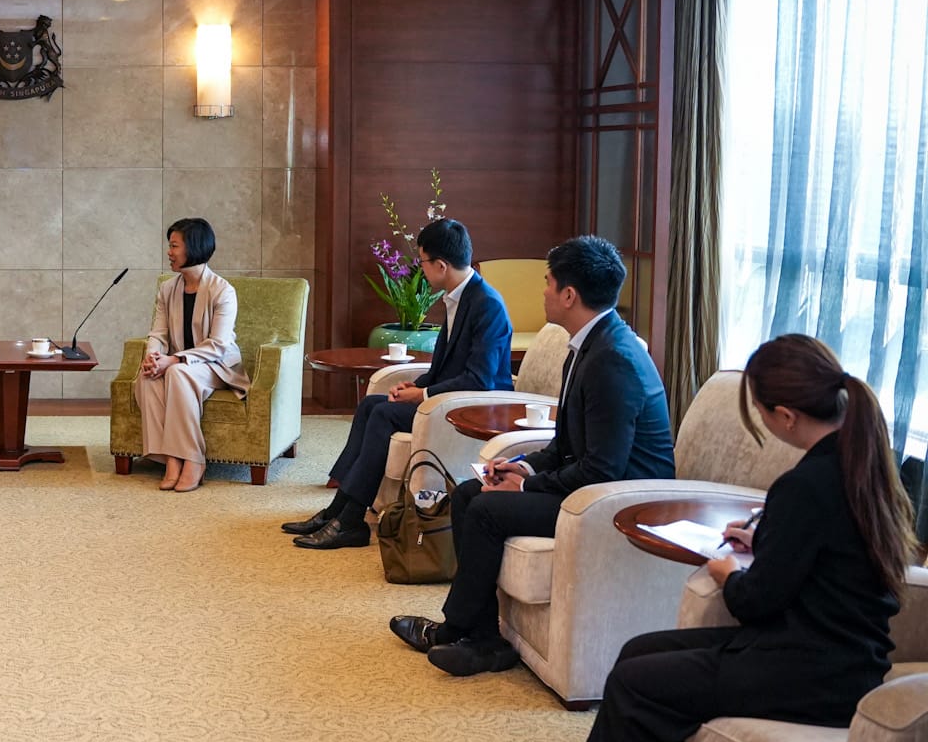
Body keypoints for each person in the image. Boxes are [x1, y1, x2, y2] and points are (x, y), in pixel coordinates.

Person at [573, 334, 918, 742]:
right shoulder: (857, 464)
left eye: (760, 411)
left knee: (640, 683)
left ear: (785, 415)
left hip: (811, 671)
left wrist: (728, 570)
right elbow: (818, 559)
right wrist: (768, 545)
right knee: (639, 651)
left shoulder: (806, 484)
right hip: (834, 654)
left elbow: (757, 603)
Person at [390, 235, 674, 676]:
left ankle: (467, 634)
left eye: (547, 282)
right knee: (469, 493)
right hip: (592, 487)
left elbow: (603, 469)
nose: (542, 291)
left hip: (617, 503)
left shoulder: (613, 360)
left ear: (569, 294)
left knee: (485, 509)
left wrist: (527, 485)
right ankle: (479, 634)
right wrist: (522, 466)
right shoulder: (588, 345)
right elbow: (565, 445)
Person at [288, 219, 513, 547]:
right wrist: (415, 387)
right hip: (447, 397)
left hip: (472, 408)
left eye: (422, 262)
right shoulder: (458, 296)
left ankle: (350, 521)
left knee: (384, 415)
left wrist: (421, 394)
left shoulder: (486, 304)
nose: (420, 269)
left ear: (441, 265)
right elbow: (445, 367)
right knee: (370, 406)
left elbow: (479, 380)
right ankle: (337, 509)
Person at [134, 218, 249, 493]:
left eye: (174, 246)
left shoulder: (223, 290)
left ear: (193, 247)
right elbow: (158, 334)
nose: (168, 252)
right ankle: (171, 460)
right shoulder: (167, 289)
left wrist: (174, 359)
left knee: (176, 372)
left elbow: (219, 344)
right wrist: (153, 357)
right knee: (147, 377)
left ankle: (194, 459)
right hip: (180, 365)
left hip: (217, 365)